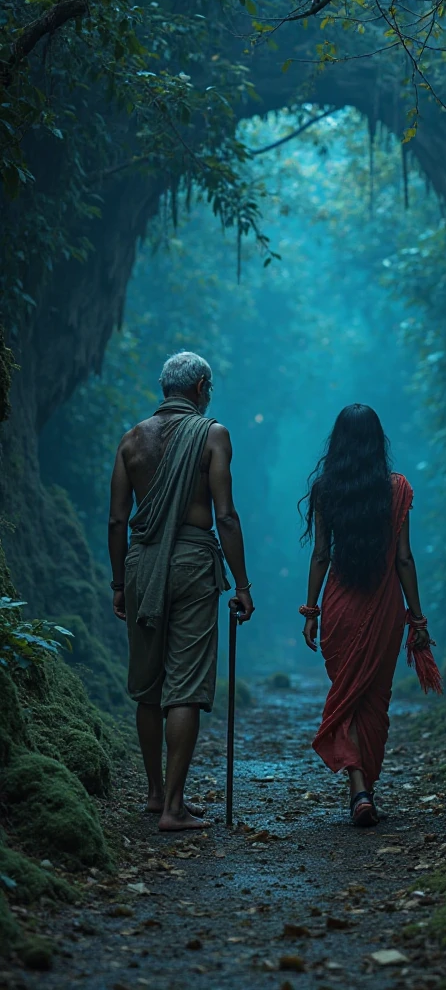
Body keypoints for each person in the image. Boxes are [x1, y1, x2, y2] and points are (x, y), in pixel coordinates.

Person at [108, 351, 254, 832]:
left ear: (163, 387)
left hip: (141, 564)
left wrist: (118, 583)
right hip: (192, 562)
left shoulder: (132, 439)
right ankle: (174, 807)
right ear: (200, 389)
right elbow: (226, 515)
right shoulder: (212, 434)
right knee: (184, 687)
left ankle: (154, 795)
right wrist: (243, 585)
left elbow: (116, 519)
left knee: (148, 688)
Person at [300, 404, 441, 828]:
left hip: (340, 607)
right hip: (384, 610)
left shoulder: (327, 489)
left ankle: (359, 788)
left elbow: (321, 554)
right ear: (378, 441)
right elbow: (404, 559)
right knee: (373, 700)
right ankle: (364, 792)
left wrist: (311, 612)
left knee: (348, 697)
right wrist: (418, 620)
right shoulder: (397, 488)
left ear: (338, 444)